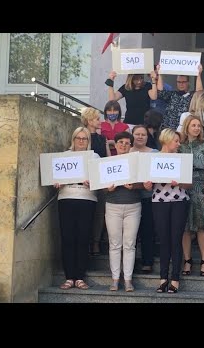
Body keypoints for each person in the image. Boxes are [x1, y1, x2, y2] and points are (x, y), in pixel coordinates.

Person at [145, 129, 191, 294]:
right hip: (159, 201)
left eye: (179, 141)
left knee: (175, 240)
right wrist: (147, 185)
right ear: (166, 140)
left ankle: (175, 279)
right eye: (176, 141)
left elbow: (189, 185)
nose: (178, 144)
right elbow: (147, 182)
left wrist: (180, 182)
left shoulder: (182, 159)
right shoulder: (153, 158)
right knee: (164, 240)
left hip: (179, 201)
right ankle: (163, 278)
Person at [56, 127, 99, 290]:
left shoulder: (94, 157)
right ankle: (69, 277)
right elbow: (55, 176)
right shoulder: (64, 157)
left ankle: (80, 277)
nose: (81, 141)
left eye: (84, 138)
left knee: (83, 238)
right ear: (73, 139)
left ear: (88, 141)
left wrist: (93, 181)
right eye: (78, 138)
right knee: (67, 238)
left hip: (87, 199)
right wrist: (57, 181)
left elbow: (101, 180)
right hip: (66, 199)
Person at [105, 131, 143, 292]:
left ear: (131, 145)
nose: (123, 145)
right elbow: (99, 185)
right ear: (115, 144)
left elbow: (145, 184)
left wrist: (134, 186)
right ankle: (115, 279)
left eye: (127, 143)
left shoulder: (136, 162)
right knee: (114, 244)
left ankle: (127, 279)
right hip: (112, 205)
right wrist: (107, 188)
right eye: (120, 142)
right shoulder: (108, 162)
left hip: (133, 206)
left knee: (129, 244)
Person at [179, 115, 204, 277]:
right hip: (184, 186)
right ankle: (187, 260)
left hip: (201, 186)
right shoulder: (180, 145)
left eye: (199, 126)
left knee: (202, 225)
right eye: (193, 125)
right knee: (185, 226)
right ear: (186, 127)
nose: (196, 128)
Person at [80, 107, 110, 256]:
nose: (100, 121)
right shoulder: (81, 137)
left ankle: (96, 242)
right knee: (87, 212)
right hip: (84, 180)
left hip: (101, 179)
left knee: (100, 212)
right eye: (97, 119)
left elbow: (108, 158)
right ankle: (86, 242)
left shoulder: (102, 138)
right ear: (89, 120)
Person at [130, 125, 158, 273]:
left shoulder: (155, 153)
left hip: (148, 197)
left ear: (147, 137)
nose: (140, 137)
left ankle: (147, 261)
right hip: (129, 198)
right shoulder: (126, 152)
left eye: (143, 134)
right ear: (132, 135)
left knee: (147, 230)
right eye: (137, 134)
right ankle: (130, 263)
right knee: (130, 233)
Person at [151, 64, 204, 129]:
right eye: (179, 82)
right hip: (168, 129)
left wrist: (199, 74)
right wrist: (160, 74)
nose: (181, 84)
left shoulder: (192, 96)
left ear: (188, 82)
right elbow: (160, 92)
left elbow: (199, 93)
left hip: (184, 130)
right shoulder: (172, 94)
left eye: (183, 82)